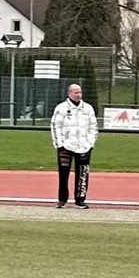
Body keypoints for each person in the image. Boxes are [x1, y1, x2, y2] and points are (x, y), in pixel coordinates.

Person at [51, 81, 98, 210]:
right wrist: (59, 144)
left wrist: (90, 144)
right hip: (65, 147)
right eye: (76, 92)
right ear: (69, 93)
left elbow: (93, 127)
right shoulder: (61, 108)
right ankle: (62, 200)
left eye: (80, 92)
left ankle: (80, 200)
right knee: (63, 174)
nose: (78, 95)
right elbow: (55, 126)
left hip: (83, 147)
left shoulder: (88, 108)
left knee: (82, 175)